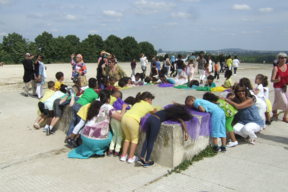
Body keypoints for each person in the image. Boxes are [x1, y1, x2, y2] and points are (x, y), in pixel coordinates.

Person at [67, 90, 128, 158]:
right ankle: (98, 150)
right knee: (110, 135)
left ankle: (90, 149)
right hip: (96, 140)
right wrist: (124, 107)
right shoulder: (107, 106)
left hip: (85, 137)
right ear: (108, 99)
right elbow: (120, 117)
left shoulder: (93, 105)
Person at [121, 92, 157, 163]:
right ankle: (131, 157)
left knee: (127, 138)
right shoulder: (147, 105)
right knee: (134, 139)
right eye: (151, 100)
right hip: (133, 120)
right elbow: (154, 112)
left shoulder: (137, 103)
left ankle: (123, 156)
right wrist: (155, 110)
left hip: (124, 118)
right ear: (147, 99)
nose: (151, 102)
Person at [271, 52, 288, 122]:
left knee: (277, 100)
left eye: (285, 58)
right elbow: (272, 80)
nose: (284, 59)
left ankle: (284, 117)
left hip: (285, 87)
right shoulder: (276, 68)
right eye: (282, 58)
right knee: (286, 103)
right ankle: (273, 110)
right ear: (278, 59)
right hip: (278, 87)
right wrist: (277, 80)